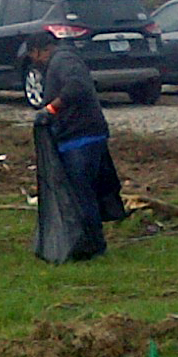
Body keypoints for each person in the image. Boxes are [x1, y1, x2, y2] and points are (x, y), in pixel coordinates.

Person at [28, 32, 127, 262]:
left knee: (82, 194)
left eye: (34, 55)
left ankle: (93, 247)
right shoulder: (62, 59)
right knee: (84, 193)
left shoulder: (63, 60)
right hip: (80, 137)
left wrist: (52, 110)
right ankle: (89, 243)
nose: (35, 61)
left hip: (81, 139)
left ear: (40, 50)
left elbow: (79, 86)